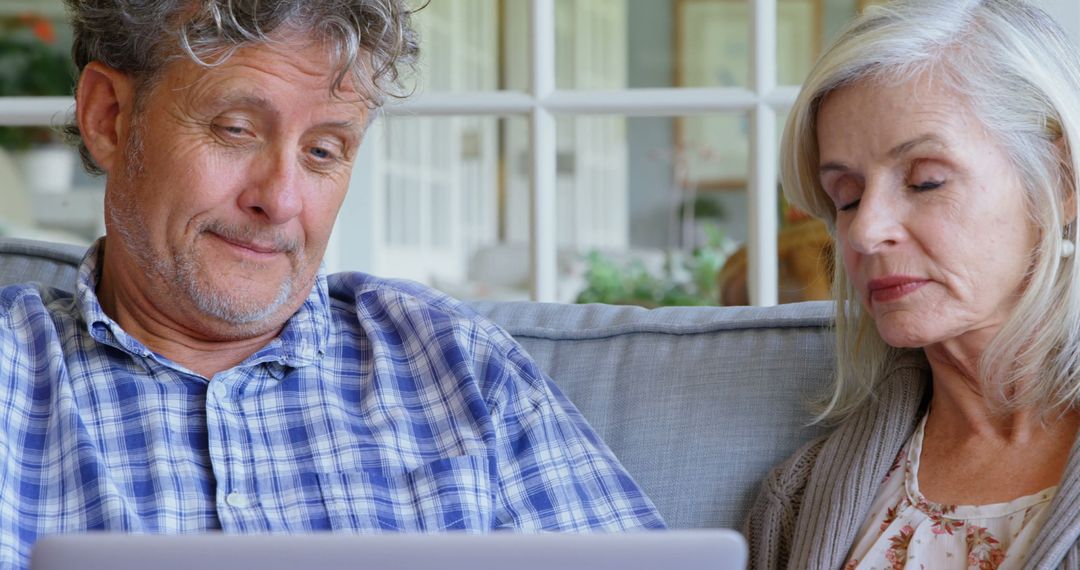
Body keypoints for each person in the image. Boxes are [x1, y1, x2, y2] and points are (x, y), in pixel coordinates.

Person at [0, 0, 665, 567]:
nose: (281, 200)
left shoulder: (461, 367)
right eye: (235, 129)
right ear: (109, 118)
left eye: (323, 151)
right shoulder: (12, 376)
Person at [743, 0, 1080, 567]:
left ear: (1061, 180)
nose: (864, 231)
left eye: (925, 181)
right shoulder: (797, 502)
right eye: (845, 196)